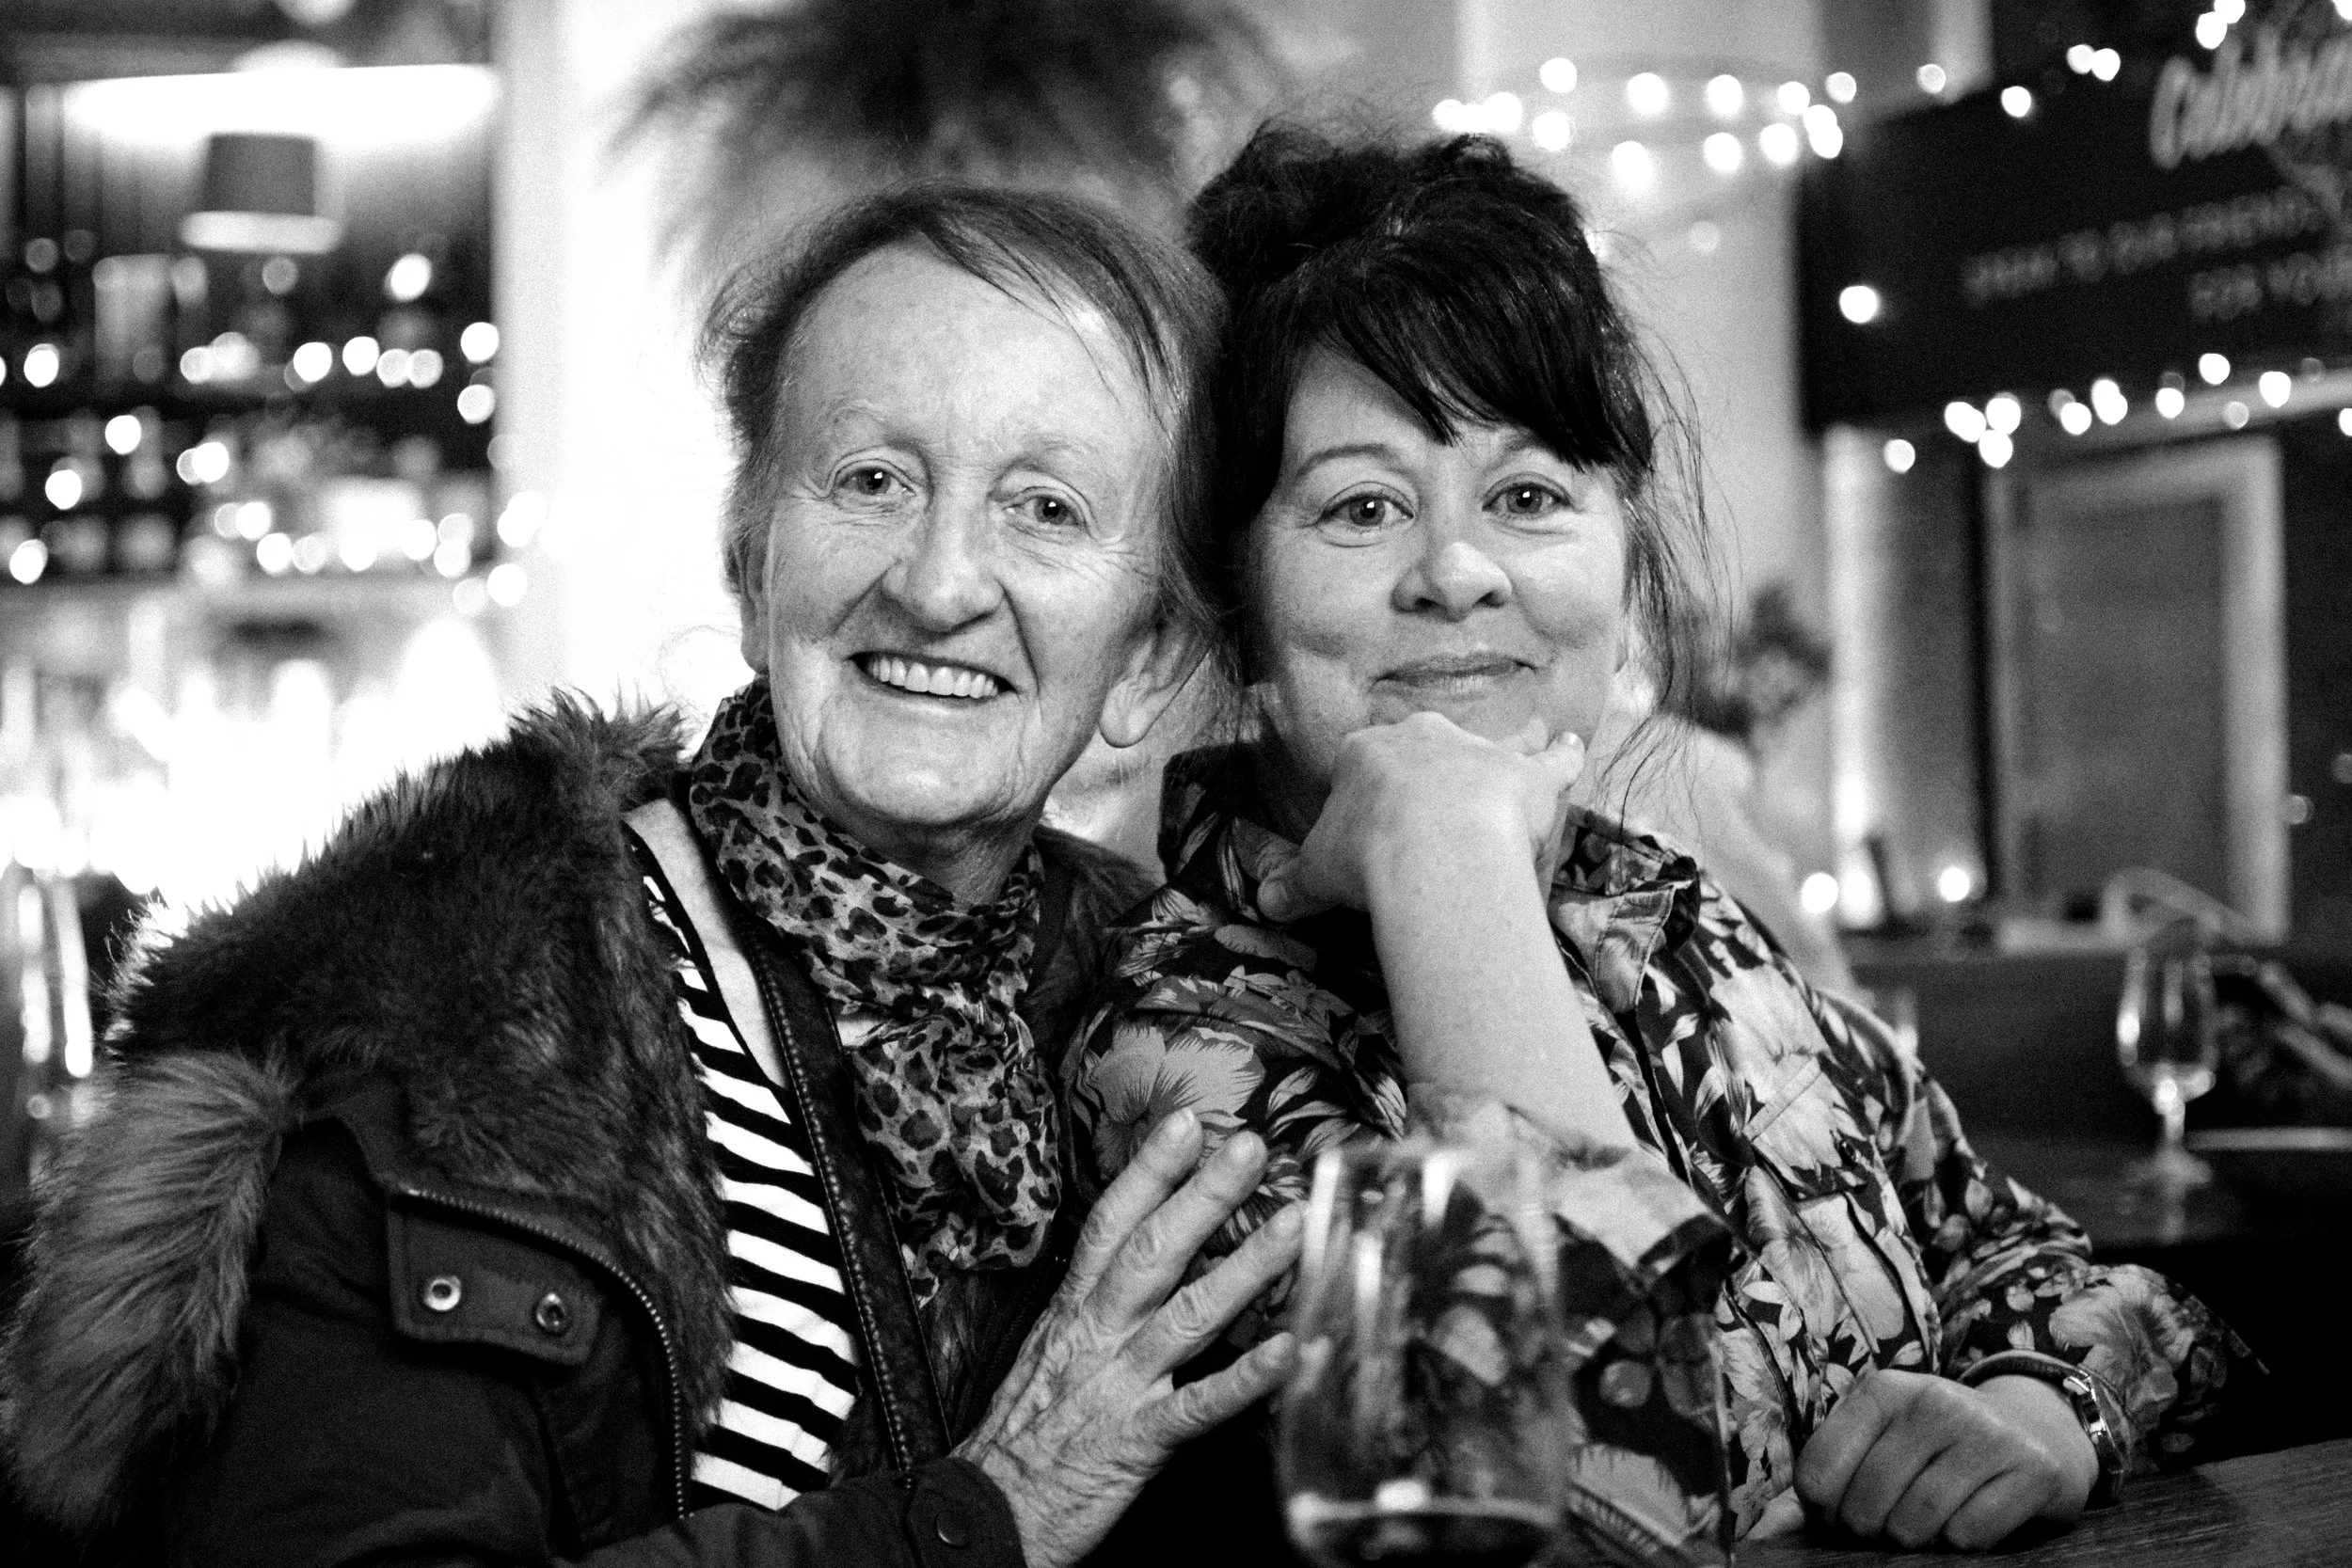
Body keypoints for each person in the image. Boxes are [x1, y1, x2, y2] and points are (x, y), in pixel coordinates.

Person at [2, 187, 1301, 1568]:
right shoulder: (454, 1006)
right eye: (872, 479)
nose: (938, 582)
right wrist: (978, 1519)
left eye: (1044, 507)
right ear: (751, 555)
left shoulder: (1178, 1013)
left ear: (1149, 653)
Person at [1065, 128, 2255, 1561]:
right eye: (1362, 507)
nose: (1460, 571)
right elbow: (1599, 1505)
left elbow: (2070, 1277)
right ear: (1238, 607)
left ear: (1624, 567)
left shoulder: (1676, 920)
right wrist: (1447, 857)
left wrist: (2045, 1411)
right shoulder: (1177, 1052)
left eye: (1527, 496)